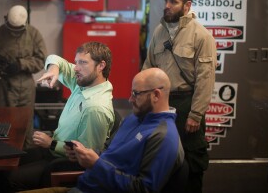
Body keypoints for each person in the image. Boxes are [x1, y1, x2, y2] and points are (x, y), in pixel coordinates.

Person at [7, 41, 116, 191]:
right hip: (54, 149)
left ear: (101, 66)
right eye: (76, 62)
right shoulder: (84, 82)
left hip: (63, 161)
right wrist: (54, 70)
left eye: (83, 63)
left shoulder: (95, 108)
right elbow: (54, 58)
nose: (76, 68)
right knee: (8, 161)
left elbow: (85, 157)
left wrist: (51, 143)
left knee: (10, 179)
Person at [55, 68, 184, 193]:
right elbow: (108, 152)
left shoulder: (164, 136)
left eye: (136, 94)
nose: (130, 99)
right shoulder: (133, 118)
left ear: (156, 95)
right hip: (84, 185)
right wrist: (85, 154)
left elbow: (143, 188)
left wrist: (96, 164)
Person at [143, 0, 215, 193]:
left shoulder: (201, 35)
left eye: (173, 2)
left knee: (191, 163)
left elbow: (205, 78)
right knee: (160, 159)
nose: (167, 6)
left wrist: (196, 113)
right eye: (166, 1)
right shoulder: (159, 31)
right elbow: (148, 67)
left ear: (187, 5)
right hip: (161, 103)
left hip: (187, 104)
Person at [0, 5, 47, 110]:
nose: (14, 33)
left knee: (24, 123)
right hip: (2, 89)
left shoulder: (33, 34)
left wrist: (21, 64)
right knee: (1, 122)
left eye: (18, 30)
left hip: (25, 90)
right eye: (12, 29)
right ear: (6, 19)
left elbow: (42, 59)